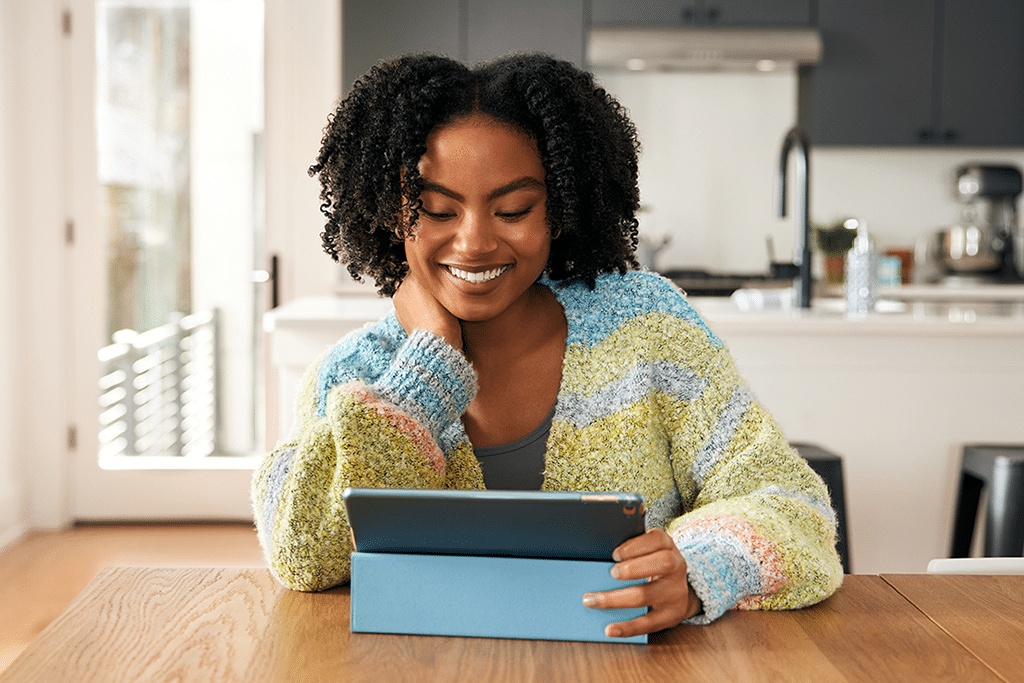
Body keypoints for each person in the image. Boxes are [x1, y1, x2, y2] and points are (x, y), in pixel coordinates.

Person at [252, 52, 843, 639]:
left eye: (513, 209)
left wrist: (694, 568)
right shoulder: (357, 373)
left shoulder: (645, 327)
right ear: (390, 208)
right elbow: (301, 553)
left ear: (559, 207)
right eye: (436, 209)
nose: (475, 241)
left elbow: (790, 502)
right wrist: (425, 371)